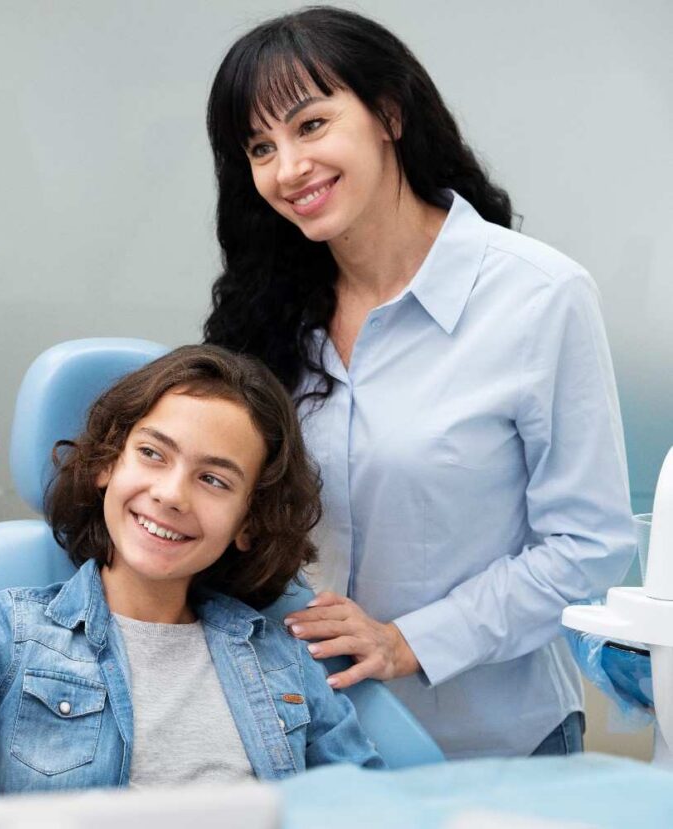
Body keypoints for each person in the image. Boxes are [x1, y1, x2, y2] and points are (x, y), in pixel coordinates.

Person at [201, 7, 634, 759]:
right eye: (260, 147)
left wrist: (410, 641)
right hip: (307, 742)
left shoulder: (540, 295)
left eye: (310, 126)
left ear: (389, 115)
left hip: (493, 747)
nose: (286, 168)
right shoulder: (266, 316)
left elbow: (589, 545)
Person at [0, 345, 384, 794]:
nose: (173, 493)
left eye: (214, 479)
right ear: (105, 465)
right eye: (152, 453)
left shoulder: (280, 656)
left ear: (249, 521)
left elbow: (374, 809)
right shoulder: (11, 634)